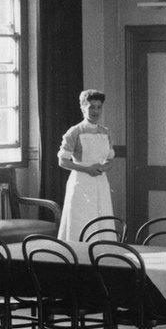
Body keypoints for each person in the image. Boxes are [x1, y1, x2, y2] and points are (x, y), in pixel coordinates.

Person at [56, 89, 116, 241]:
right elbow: (63, 161)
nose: (96, 111)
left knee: (102, 223)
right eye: (91, 107)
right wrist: (86, 169)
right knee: (82, 223)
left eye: (99, 107)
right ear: (83, 107)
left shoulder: (105, 132)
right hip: (81, 184)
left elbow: (110, 158)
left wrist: (104, 167)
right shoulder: (74, 132)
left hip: (100, 183)